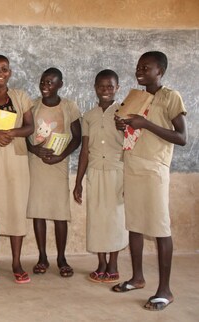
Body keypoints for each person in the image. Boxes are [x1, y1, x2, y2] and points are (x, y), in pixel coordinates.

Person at [112, 51, 187, 311]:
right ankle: (137, 277)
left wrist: (145, 124)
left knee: (159, 227)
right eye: (138, 66)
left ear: (160, 71)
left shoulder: (170, 97)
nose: (139, 70)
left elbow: (182, 137)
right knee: (134, 224)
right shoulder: (135, 96)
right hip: (132, 163)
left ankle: (165, 290)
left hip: (154, 167)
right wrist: (123, 125)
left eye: (146, 66)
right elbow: (128, 125)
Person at [0, 55, 34, 283]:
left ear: (9, 72)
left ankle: (16, 262)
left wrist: (11, 133)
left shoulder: (21, 97)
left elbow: (30, 127)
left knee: (15, 209)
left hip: (16, 161)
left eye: (4, 69)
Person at [73, 69, 128, 283]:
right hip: (95, 172)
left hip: (117, 171)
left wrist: (129, 179)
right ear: (95, 88)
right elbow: (85, 150)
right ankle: (101, 263)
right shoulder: (88, 116)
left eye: (110, 86)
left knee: (115, 218)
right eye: (101, 86)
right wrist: (78, 181)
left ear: (117, 88)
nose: (105, 90)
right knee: (97, 218)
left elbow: (130, 147)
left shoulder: (126, 113)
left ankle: (113, 264)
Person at [26, 67, 81, 278]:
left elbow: (77, 137)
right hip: (37, 163)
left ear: (60, 85)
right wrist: (34, 149)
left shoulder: (69, 106)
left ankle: (61, 258)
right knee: (38, 210)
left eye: (50, 83)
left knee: (59, 212)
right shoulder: (32, 105)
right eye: (43, 82)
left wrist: (62, 155)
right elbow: (24, 134)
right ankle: (42, 257)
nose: (45, 86)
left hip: (59, 164)